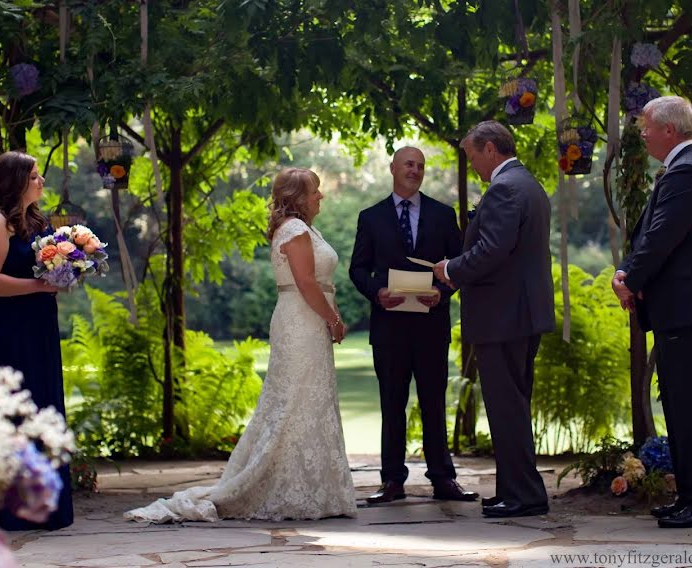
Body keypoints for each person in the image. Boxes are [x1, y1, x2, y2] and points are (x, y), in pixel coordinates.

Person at [126, 168, 356, 523]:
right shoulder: (294, 230)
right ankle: (274, 487)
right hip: (299, 321)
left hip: (309, 320)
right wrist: (334, 320)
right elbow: (307, 283)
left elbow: (320, 285)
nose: (320, 196)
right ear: (297, 197)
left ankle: (313, 488)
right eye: (315, 191)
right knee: (293, 401)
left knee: (310, 400)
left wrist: (331, 315)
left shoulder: (306, 229)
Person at [611, 96, 692, 529]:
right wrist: (629, 271)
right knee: (680, 409)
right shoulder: (684, 169)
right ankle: (690, 497)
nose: (641, 133)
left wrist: (629, 278)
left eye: (646, 126)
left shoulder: (686, 172)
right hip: (684, 311)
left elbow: (662, 237)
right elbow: (653, 234)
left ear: (669, 130)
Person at [433, 121, 554, 518]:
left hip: (503, 315)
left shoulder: (504, 188)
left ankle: (524, 496)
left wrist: (451, 268)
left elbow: (492, 250)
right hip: (520, 313)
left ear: (490, 149)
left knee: (507, 407)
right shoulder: (528, 184)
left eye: (471, 156)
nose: (472, 166)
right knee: (512, 404)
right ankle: (516, 490)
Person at [349, 146, 477, 504]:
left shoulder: (442, 214)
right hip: (388, 327)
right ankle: (392, 481)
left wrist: (441, 291)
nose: (415, 170)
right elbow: (357, 269)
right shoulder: (370, 217)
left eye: (420, 166)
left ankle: (443, 480)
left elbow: (459, 264)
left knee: (434, 403)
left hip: (431, 326)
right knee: (392, 404)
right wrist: (378, 292)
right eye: (408, 164)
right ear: (392, 168)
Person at [0, 150, 74, 531]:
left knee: (41, 401)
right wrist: (39, 286)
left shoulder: (34, 220)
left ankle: (44, 505)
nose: (41, 181)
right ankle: (6, 508)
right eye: (34, 176)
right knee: (8, 409)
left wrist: (72, 268)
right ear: (14, 181)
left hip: (35, 323)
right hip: (2, 327)